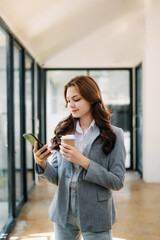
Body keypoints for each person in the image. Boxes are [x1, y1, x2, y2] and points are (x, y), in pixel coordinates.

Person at [33, 75, 126, 240]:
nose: (71, 105)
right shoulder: (63, 132)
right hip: (63, 210)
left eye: (76, 99)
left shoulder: (114, 135)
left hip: (96, 212)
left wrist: (83, 161)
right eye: (68, 100)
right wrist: (42, 163)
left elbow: (117, 182)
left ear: (91, 99)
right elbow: (57, 178)